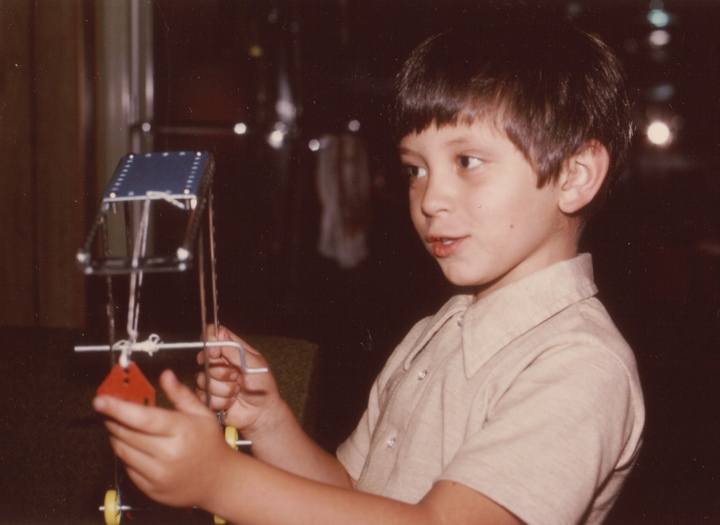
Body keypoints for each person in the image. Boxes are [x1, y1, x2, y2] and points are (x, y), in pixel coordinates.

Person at [93, 5, 645, 524]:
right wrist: (269, 422)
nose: (430, 199)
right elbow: (353, 497)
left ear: (574, 176)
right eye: (415, 169)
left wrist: (220, 482)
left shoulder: (581, 366)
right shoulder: (438, 330)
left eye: (467, 161)